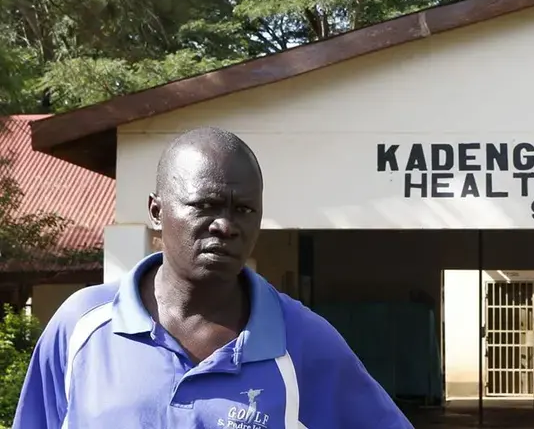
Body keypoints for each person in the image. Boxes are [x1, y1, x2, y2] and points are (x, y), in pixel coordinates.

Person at [13, 127, 413, 429]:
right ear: (157, 211)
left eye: (244, 210)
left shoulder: (303, 340)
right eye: (204, 205)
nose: (226, 225)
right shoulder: (81, 326)